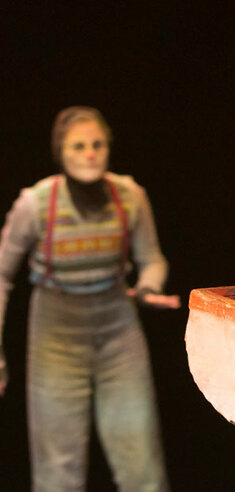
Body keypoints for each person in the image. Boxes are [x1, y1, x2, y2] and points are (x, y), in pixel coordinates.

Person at [0, 106, 178, 491]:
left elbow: (152, 258)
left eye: (97, 144)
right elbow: (1, 275)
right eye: (78, 146)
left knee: (141, 463)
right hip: (55, 334)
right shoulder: (36, 204)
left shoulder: (129, 196)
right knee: (56, 469)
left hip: (117, 327)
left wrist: (148, 288)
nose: (90, 154)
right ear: (60, 151)